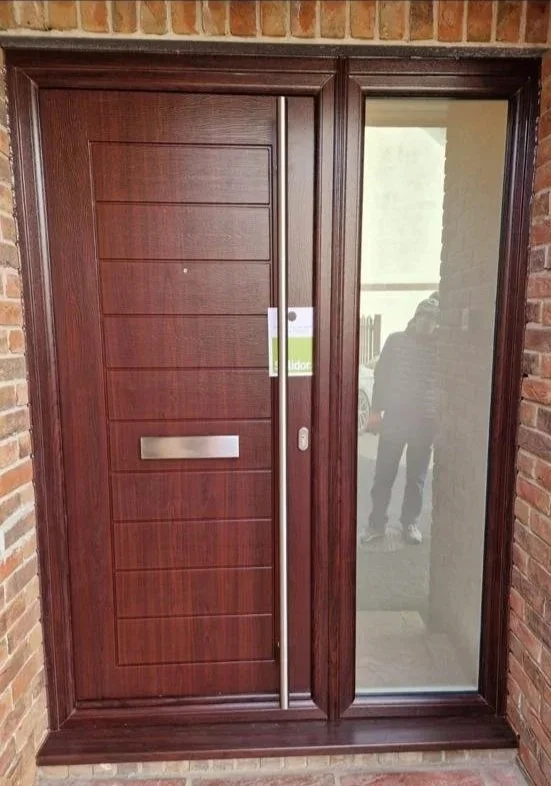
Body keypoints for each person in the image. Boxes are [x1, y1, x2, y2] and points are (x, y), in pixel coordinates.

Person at [361, 293, 439, 546]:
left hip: (424, 423)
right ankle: (376, 524)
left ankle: (409, 523)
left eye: (432, 318)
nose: (427, 322)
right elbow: (381, 377)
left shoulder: (441, 348)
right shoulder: (395, 341)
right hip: (395, 420)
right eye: (423, 316)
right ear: (415, 317)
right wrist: (375, 413)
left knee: (416, 479)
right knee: (384, 475)